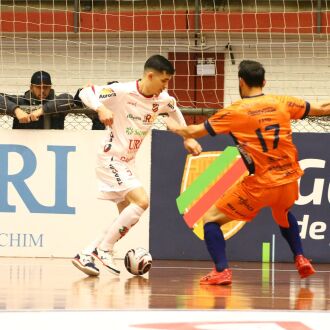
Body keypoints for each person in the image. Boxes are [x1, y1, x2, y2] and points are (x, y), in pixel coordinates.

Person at [165, 60, 330, 286]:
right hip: (290, 180)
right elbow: (322, 109)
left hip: (261, 185)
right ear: (264, 82)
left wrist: (171, 126)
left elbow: (194, 131)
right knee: (282, 214)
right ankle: (300, 257)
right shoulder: (282, 102)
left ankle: (221, 271)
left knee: (210, 220)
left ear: (241, 82)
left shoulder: (235, 111)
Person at [72, 54, 202, 276]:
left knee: (126, 216)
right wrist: (100, 108)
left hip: (128, 162)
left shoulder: (162, 99)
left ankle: (86, 253)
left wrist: (186, 136)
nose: (166, 86)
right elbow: (86, 92)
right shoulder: (122, 92)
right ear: (150, 75)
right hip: (110, 158)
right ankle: (104, 250)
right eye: (163, 81)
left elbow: (173, 108)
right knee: (142, 201)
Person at [0, 71, 74, 128]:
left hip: (51, 145)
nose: (42, 91)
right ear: (31, 87)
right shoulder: (21, 101)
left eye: (46, 87)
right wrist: (16, 110)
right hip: (23, 145)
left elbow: (69, 99)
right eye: (38, 87)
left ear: (50, 87)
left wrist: (41, 110)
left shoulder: (57, 102)